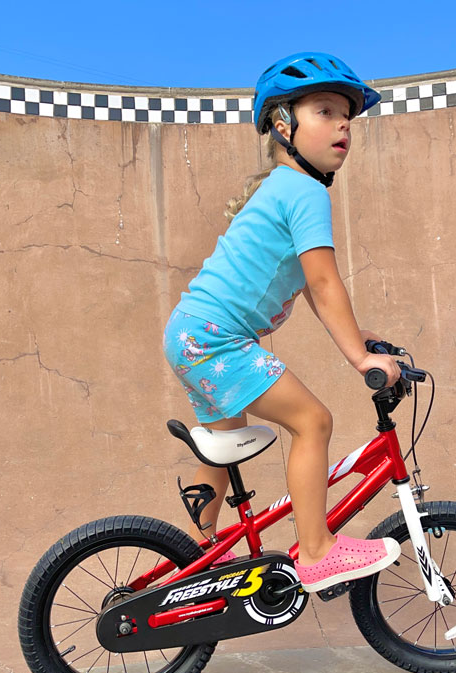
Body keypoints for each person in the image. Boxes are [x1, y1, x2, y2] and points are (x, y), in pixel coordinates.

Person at [163, 52, 402, 593]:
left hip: (193, 334)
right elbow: (322, 282)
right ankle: (317, 551)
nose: (343, 124)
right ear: (282, 123)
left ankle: (198, 557)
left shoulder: (284, 188)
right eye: (325, 111)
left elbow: (316, 293)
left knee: (226, 442)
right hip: (217, 341)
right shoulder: (305, 191)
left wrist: (355, 334)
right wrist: (361, 360)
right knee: (313, 422)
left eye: (348, 116)